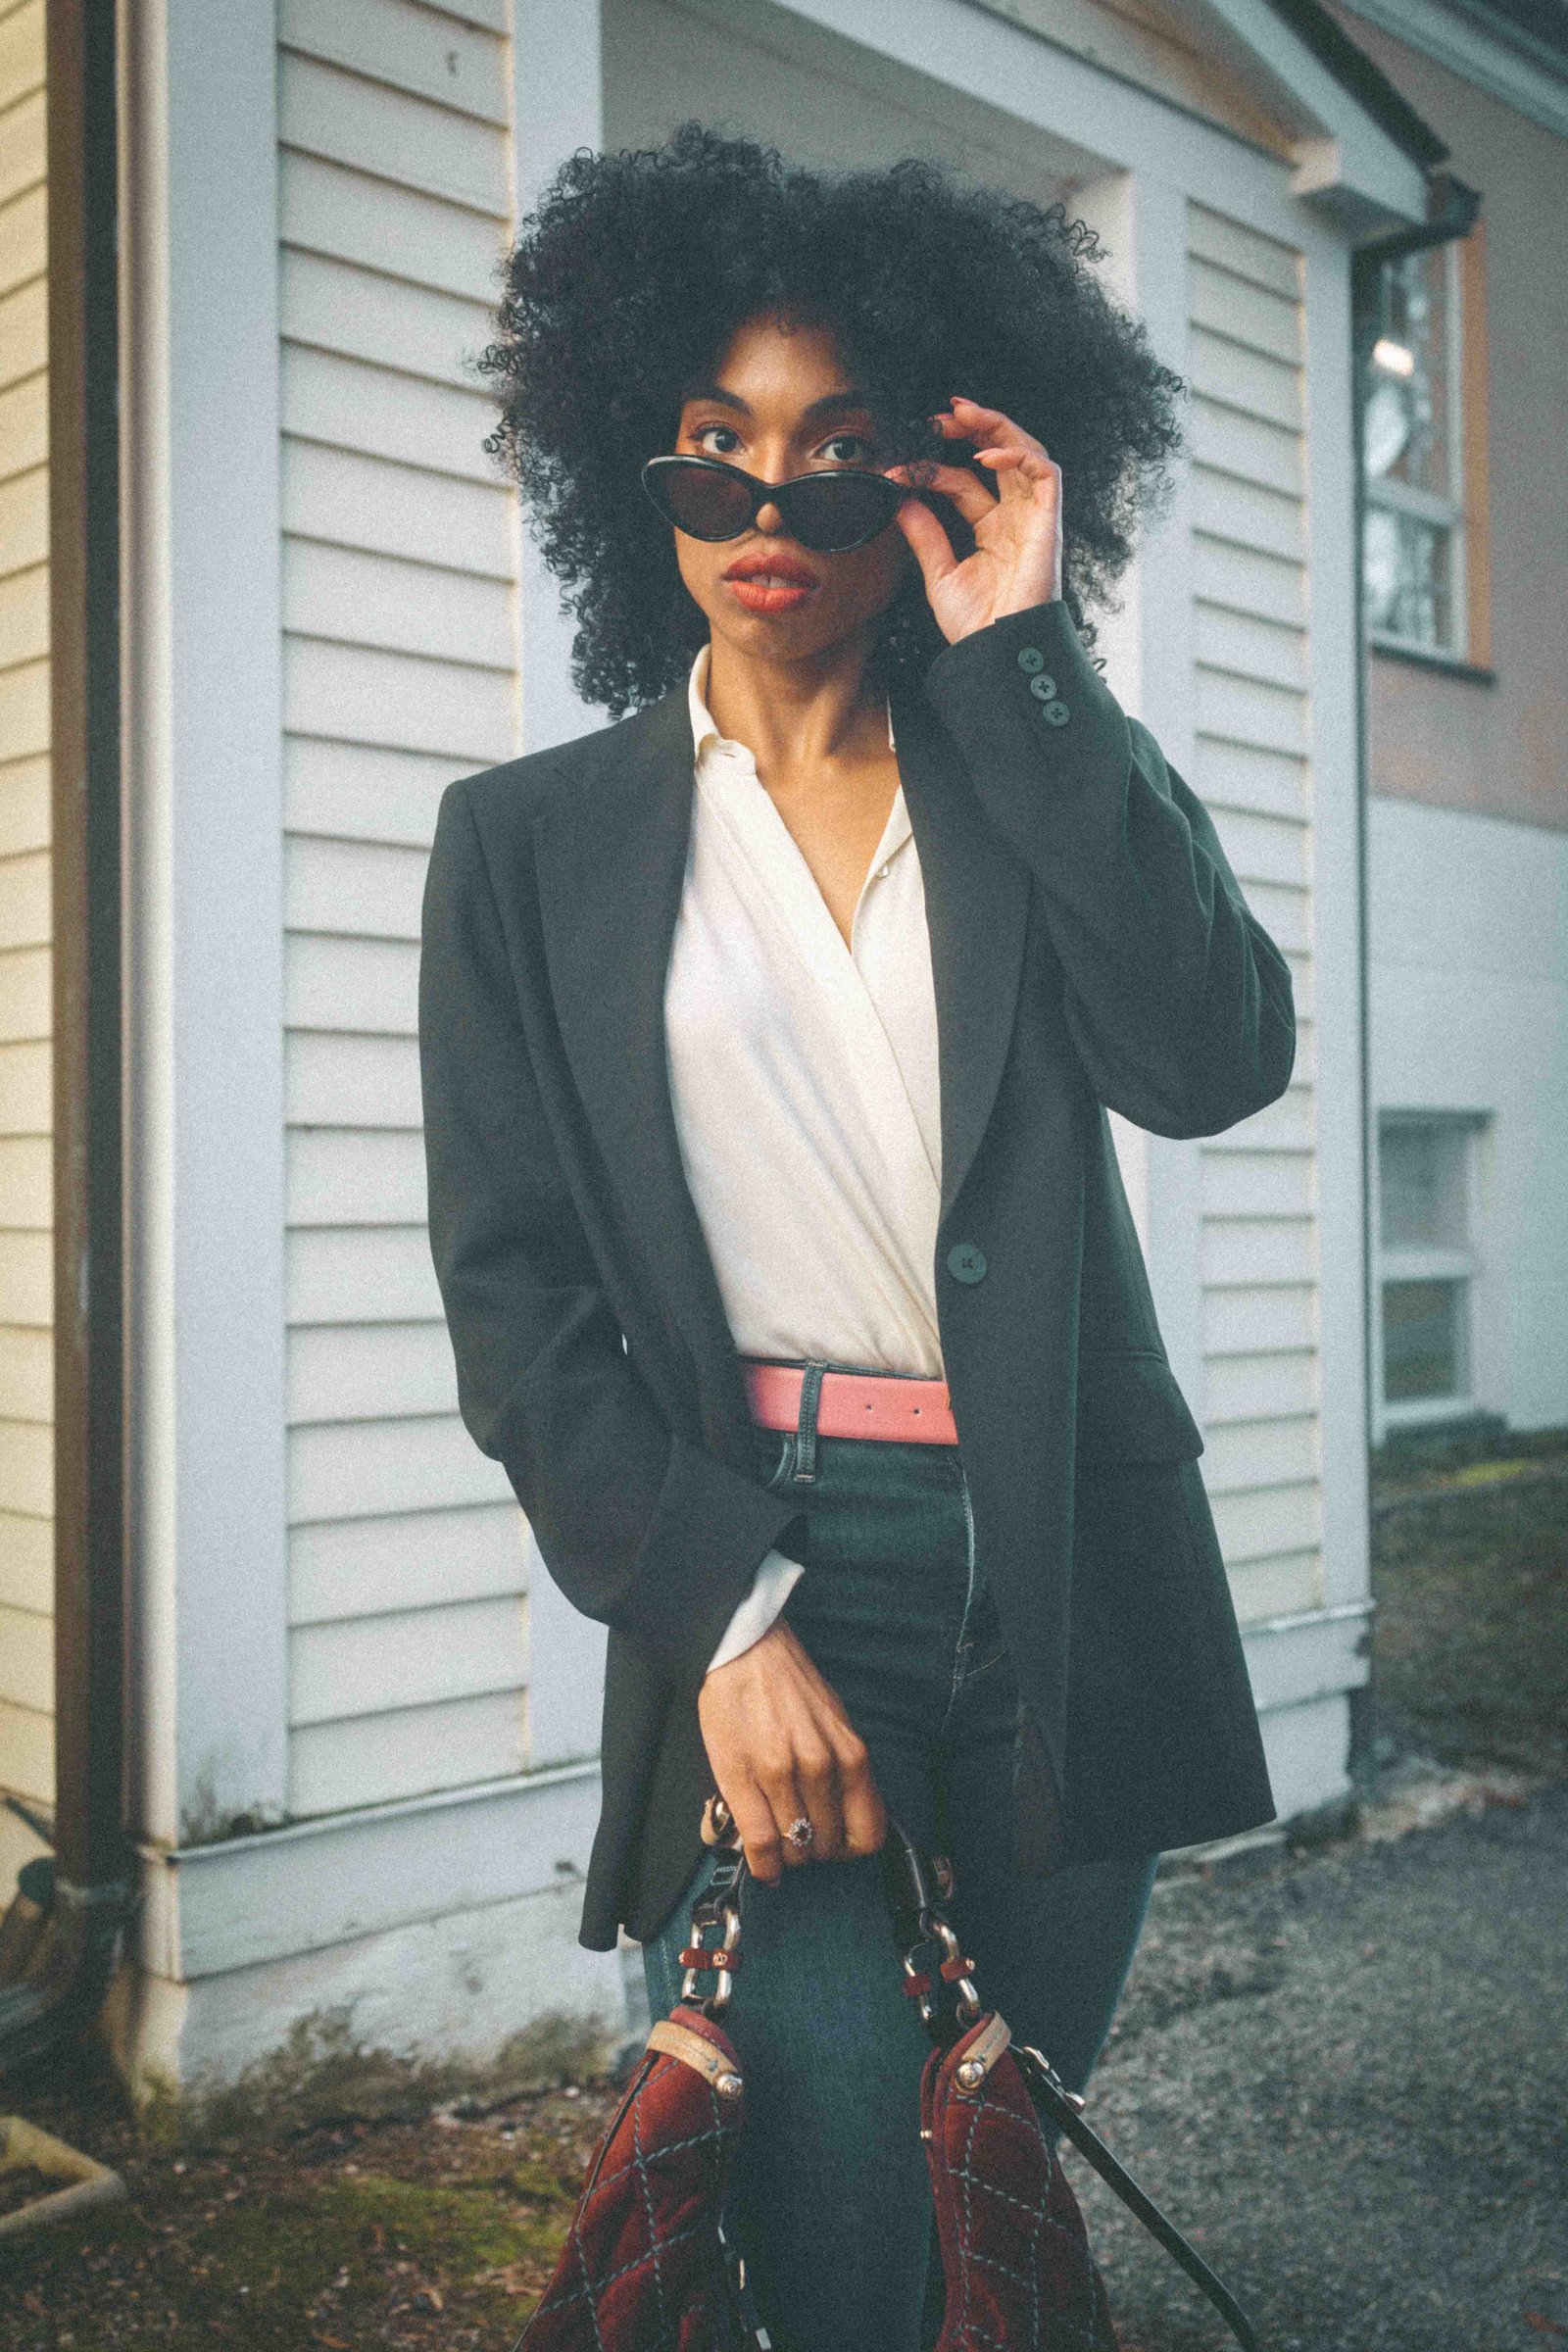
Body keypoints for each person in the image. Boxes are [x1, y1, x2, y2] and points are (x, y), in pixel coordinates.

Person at [418, 123, 1296, 2352]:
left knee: (990, 2174)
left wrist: (1026, 661)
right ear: (641, 471)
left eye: (834, 461)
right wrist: (722, 1612)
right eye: (712, 455)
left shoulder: (1021, 769)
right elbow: (517, 1310)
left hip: (1056, 1573)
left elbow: (1209, 1059)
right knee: (827, 2214)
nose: (765, 517)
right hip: (769, 1575)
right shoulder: (524, 849)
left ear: (925, 485)